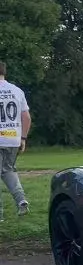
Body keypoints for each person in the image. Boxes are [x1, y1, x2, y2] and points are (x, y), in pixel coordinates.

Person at [0, 61, 31, 221]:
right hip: (12, 138)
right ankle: (21, 200)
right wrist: (23, 138)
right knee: (8, 171)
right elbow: (26, 117)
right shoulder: (17, 91)